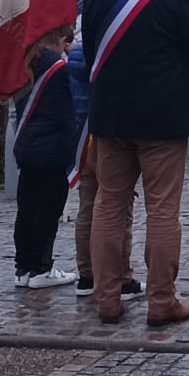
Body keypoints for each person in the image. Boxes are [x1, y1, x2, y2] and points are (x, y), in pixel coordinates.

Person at [80, 0, 189, 328]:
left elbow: (90, 55)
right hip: (161, 120)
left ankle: (107, 300)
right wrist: (180, 98)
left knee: (108, 205)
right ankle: (162, 301)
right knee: (162, 210)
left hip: (111, 116)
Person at [64, 24, 141, 302]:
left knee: (87, 209)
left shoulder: (76, 55)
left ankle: (86, 275)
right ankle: (121, 277)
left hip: (82, 139)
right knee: (118, 209)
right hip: (109, 137)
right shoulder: (112, 52)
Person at [10, 26, 77, 290]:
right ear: (61, 40)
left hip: (27, 146)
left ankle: (23, 267)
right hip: (52, 150)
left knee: (26, 209)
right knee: (48, 211)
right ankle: (42, 268)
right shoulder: (59, 70)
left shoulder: (28, 63)